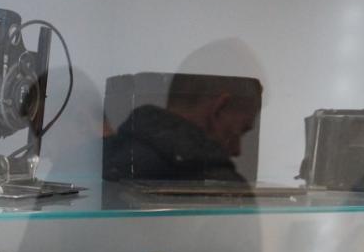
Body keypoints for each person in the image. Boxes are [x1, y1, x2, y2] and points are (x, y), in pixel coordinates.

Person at [103, 72, 262, 186]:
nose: (237, 150)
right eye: (240, 130)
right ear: (219, 109)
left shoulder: (108, 159)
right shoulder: (222, 186)